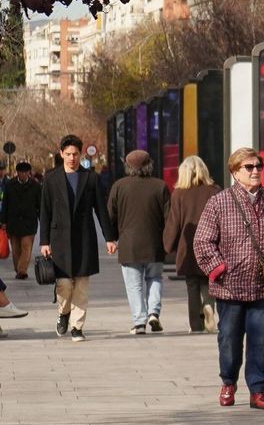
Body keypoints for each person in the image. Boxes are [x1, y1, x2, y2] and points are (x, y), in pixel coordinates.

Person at [193, 147, 264, 409]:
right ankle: (228, 382)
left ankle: (257, 389)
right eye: (249, 167)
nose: (255, 171)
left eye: (258, 166)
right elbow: (202, 242)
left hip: (263, 287)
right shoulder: (218, 203)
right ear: (235, 172)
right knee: (229, 339)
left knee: (260, 338)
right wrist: (217, 267)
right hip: (229, 287)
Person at [38, 134, 116, 343]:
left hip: (84, 238)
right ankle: (64, 313)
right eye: (68, 154)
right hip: (59, 239)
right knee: (64, 284)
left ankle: (77, 327)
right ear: (61, 153)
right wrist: (44, 241)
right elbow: (44, 212)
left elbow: (101, 210)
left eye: (75, 154)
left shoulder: (91, 178)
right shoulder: (51, 179)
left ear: (80, 155)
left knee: (81, 285)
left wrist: (109, 238)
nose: (72, 158)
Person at [106, 150, 172, 335]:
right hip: (154, 244)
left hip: (129, 245)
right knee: (155, 278)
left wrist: (110, 238)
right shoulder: (160, 186)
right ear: (149, 164)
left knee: (134, 285)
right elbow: (169, 218)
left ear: (127, 166)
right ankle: (153, 313)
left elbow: (110, 216)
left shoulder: (119, 186)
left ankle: (139, 321)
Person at [164, 155, 222, 332]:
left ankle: (196, 325)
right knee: (209, 282)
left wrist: (168, 245)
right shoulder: (215, 190)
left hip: (189, 247)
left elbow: (174, 222)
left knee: (192, 286)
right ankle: (209, 308)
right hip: (211, 246)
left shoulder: (179, 194)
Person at [6, 161, 41, 280]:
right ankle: (18, 269)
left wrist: (43, 220)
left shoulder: (35, 186)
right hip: (13, 222)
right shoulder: (10, 185)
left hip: (29, 222)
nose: (24, 174)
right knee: (15, 248)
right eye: (21, 172)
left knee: (26, 246)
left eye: (26, 172)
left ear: (29, 173)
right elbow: (5, 204)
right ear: (17, 173)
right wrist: (3, 221)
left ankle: (22, 270)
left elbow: (40, 205)